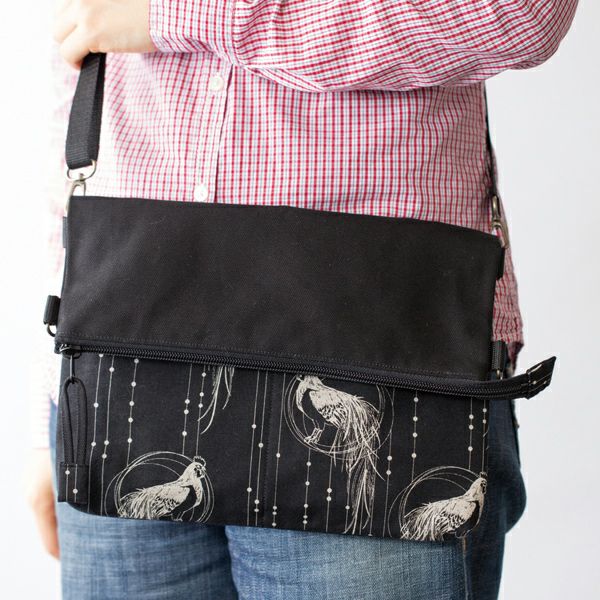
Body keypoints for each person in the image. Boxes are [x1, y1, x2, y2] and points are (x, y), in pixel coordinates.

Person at [25, 1, 578, 598]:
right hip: (113, 375)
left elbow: (521, 15)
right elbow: (78, 60)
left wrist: (179, 14)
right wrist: (48, 407)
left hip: (382, 362)